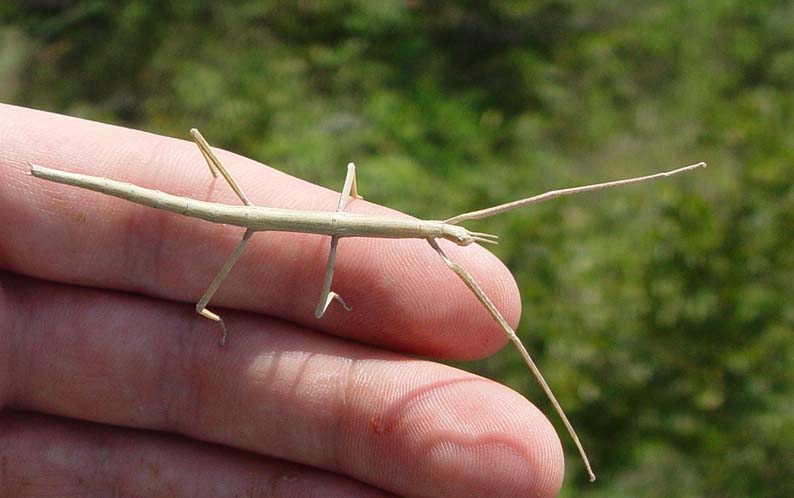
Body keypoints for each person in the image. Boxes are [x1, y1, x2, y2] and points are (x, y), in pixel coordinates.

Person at [0, 103, 564, 497]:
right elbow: (326, 302)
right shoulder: (338, 237)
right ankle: (202, 308)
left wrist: (438, 232)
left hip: (241, 216)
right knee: (217, 301)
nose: (449, 237)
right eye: (444, 235)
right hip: (235, 217)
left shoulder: (361, 222)